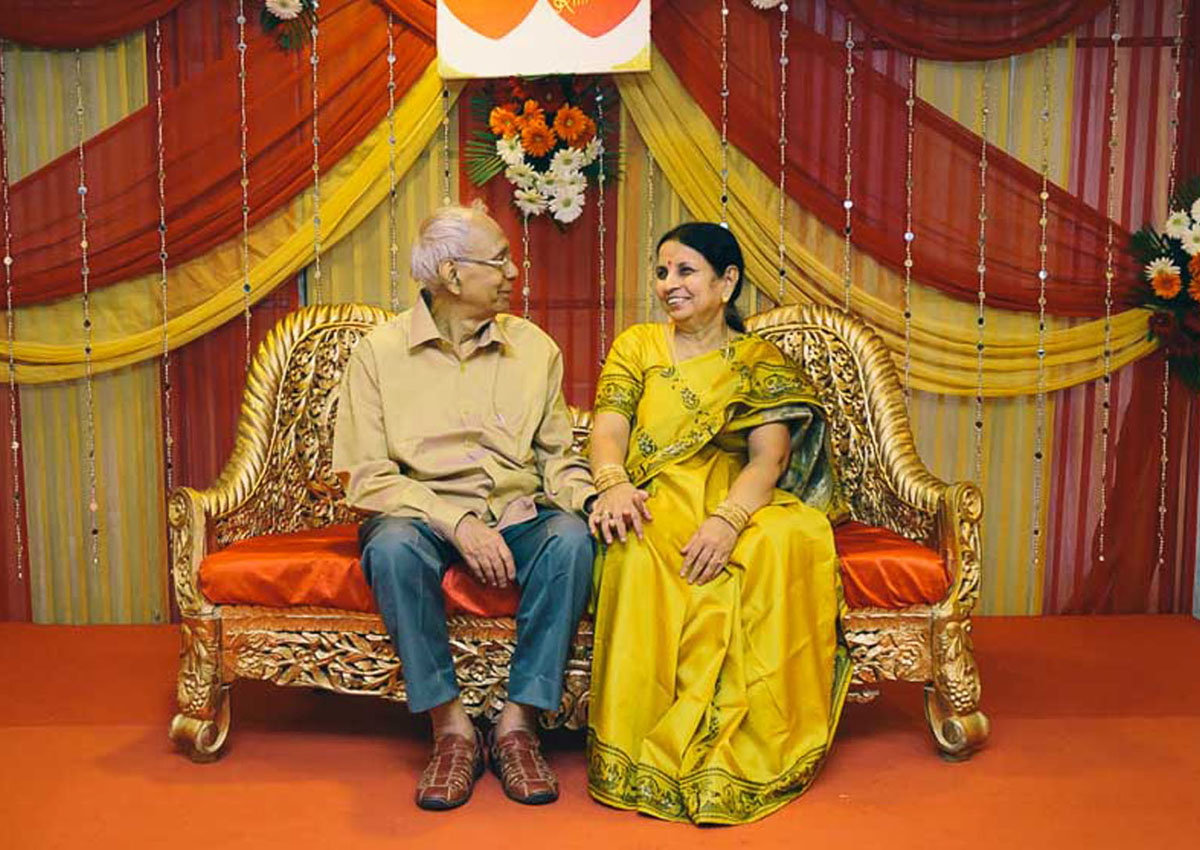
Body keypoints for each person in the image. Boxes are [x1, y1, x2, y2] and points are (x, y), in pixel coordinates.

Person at [332, 202, 595, 811]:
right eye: (499, 260)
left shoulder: (534, 349)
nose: (514, 272)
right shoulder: (379, 353)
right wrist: (456, 521)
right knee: (391, 547)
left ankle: (517, 725)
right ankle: (450, 728)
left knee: (572, 540)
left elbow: (557, 460)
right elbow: (366, 476)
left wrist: (594, 499)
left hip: (517, 514)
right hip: (421, 516)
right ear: (451, 275)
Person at [585, 222, 851, 825]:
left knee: (784, 542)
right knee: (633, 549)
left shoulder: (758, 361)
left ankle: (744, 742)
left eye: (685, 271)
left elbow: (768, 459)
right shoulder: (639, 346)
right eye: (661, 272)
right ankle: (640, 755)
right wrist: (614, 483)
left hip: (738, 497)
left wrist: (727, 521)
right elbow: (609, 426)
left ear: (727, 282)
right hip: (654, 492)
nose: (669, 285)